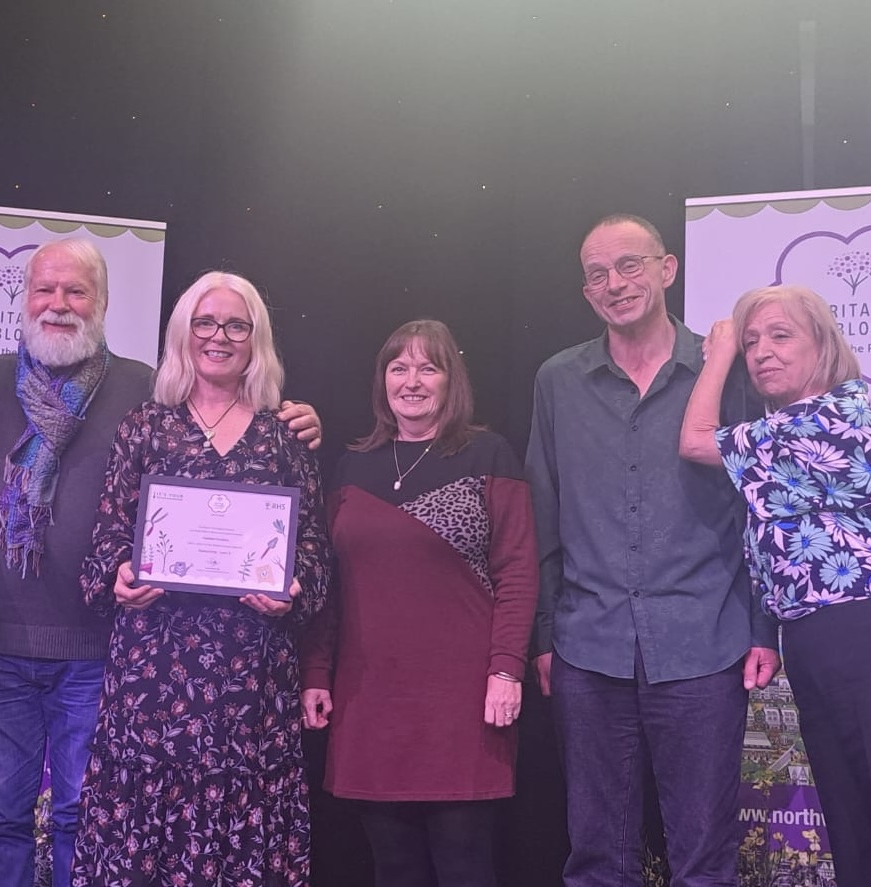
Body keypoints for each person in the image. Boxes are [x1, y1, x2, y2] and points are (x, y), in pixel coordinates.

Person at [0, 240, 323, 887]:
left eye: (76, 291)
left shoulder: (146, 390)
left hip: (97, 651)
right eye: (44, 289)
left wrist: (296, 418)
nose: (59, 304)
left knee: (83, 814)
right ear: (24, 299)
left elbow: (216, 440)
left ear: (101, 302)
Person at [525, 214, 780, 887]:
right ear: (587, 292)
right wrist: (546, 634)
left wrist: (764, 626)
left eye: (629, 265)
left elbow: (759, 506)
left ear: (667, 270)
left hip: (705, 643)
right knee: (596, 858)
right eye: (598, 274)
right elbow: (543, 510)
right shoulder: (558, 380)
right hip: (588, 647)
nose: (615, 283)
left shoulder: (726, 372)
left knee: (704, 858)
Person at [679, 284, 871, 887]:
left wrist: (720, 352)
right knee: (855, 831)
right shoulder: (781, 427)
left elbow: (695, 439)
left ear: (824, 346)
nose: (762, 352)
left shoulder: (829, 417)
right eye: (751, 341)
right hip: (819, 638)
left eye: (781, 336)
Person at [70, 271, 330, 886]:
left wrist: (295, 588)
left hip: (251, 681)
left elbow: (315, 549)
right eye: (205, 323)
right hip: (153, 680)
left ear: (256, 338)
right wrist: (119, 574)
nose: (219, 337)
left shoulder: (286, 434)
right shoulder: (144, 426)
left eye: (236, 325)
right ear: (183, 333)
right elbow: (107, 536)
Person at [300, 319, 540, 887]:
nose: (412, 381)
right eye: (399, 367)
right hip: (369, 701)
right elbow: (329, 584)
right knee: (394, 869)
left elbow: (517, 571)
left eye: (428, 368)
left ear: (451, 380)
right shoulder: (351, 467)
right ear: (382, 380)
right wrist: (315, 673)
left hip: (462, 703)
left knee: (464, 868)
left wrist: (507, 669)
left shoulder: (488, 455)